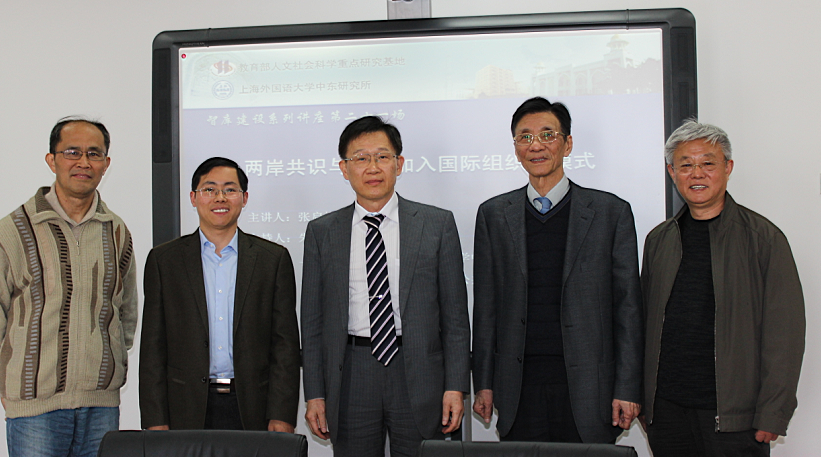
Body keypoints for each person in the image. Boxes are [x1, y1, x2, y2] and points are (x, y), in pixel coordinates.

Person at [472, 97, 643, 443]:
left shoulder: (610, 213)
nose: (536, 145)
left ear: (567, 144)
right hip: (518, 386)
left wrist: (627, 387)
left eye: (547, 135)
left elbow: (628, 309)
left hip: (590, 386)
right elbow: (486, 308)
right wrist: (484, 383)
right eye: (525, 137)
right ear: (516, 149)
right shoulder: (493, 215)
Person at [0, 117, 137, 457]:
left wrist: (110, 362)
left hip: (101, 408)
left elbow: (126, 312)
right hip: (35, 412)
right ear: (51, 160)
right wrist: (9, 385)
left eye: (94, 154)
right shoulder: (14, 230)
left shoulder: (116, 232)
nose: (83, 162)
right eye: (72, 152)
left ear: (106, 164)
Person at [301, 116, 469, 457]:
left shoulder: (436, 224)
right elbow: (313, 323)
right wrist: (314, 394)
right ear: (344, 168)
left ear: (399, 164)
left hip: (419, 371)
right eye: (361, 158)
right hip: (351, 372)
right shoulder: (322, 232)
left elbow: (455, 318)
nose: (373, 167)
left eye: (382, 156)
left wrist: (456, 386)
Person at [641, 120, 805, 456]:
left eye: (708, 163)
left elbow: (785, 335)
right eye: (685, 165)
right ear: (672, 173)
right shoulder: (659, 240)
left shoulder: (764, 240)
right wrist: (643, 400)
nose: (696, 174)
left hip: (736, 418)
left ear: (727, 168)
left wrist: (773, 411)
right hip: (668, 414)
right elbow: (641, 324)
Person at [139, 157, 300, 432]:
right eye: (209, 189)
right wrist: (155, 420)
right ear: (193, 197)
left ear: (244, 198)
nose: (220, 198)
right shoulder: (164, 260)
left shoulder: (272, 259)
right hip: (184, 407)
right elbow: (153, 348)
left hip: (253, 406)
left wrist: (281, 414)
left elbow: (285, 345)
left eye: (230, 189)